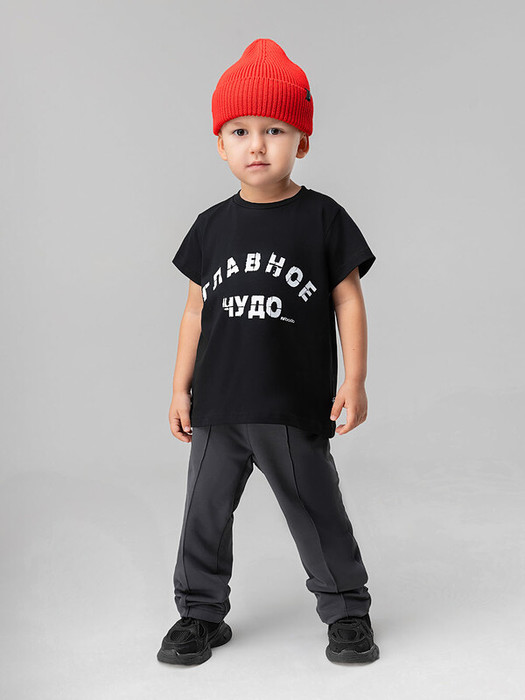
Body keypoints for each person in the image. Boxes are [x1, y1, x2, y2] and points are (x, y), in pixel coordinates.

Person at [157, 37, 380, 666]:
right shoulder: (210, 226)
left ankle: (347, 611)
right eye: (240, 131)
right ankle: (199, 615)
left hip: (291, 403)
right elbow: (195, 311)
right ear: (220, 144)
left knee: (317, 510)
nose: (257, 145)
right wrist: (179, 388)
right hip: (218, 406)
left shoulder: (323, 219)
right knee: (203, 516)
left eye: (274, 130)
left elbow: (348, 301)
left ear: (301, 141)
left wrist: (355, 380)